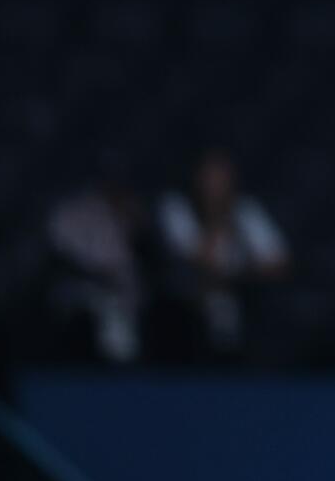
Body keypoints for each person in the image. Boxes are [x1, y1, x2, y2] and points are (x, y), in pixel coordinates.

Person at [154, 145, 290, 363]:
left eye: (222, 178)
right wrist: (215, 217)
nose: (217, 185)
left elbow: (279, 263)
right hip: (191, 295)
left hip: (242, 292)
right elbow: (199, 260)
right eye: (210, 178)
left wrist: (241, 275)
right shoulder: (177, 207)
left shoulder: (246, 209)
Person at [43, 155, 153, 364]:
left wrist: (133, 222)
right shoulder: (70, 213)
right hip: (83, 292)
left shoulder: (131, 211)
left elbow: (140, 258)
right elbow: (60, 260)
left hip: (125, 294)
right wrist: (97, 278)